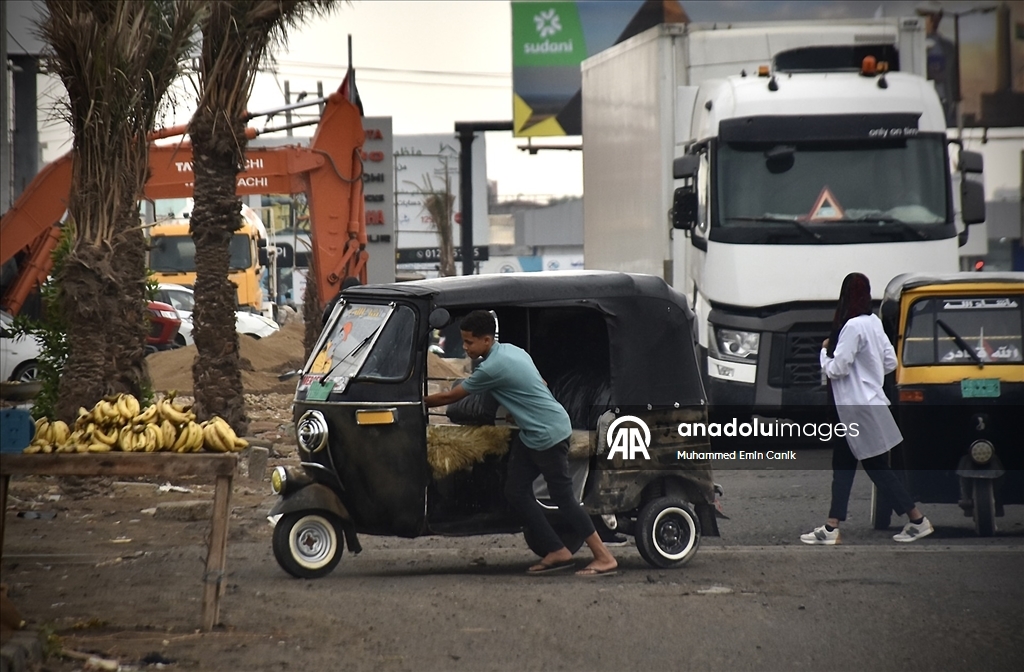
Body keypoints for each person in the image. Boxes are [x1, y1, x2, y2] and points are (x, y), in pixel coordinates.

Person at [424, 310, 619, 576]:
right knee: (515, 491)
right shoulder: (512, 351)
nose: (466, 347)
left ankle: (604, 556)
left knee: (563, 497)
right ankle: (557, 550)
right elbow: (542, 383)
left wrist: (416, 402)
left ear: (486, 340)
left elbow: (451, 397)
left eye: (469, 342)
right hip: (535, 433)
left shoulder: (492, 366)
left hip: (547, 434)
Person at [801, 273, 934, 545]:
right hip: (870, 403)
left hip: (853, 407)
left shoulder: (852, 327)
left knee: (868, 466)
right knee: (849, 464)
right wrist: (867, 371)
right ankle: (831, 526)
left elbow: (837, 369)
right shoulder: (874, 323)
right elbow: (889, 363)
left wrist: (824, 353)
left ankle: (917, 520)